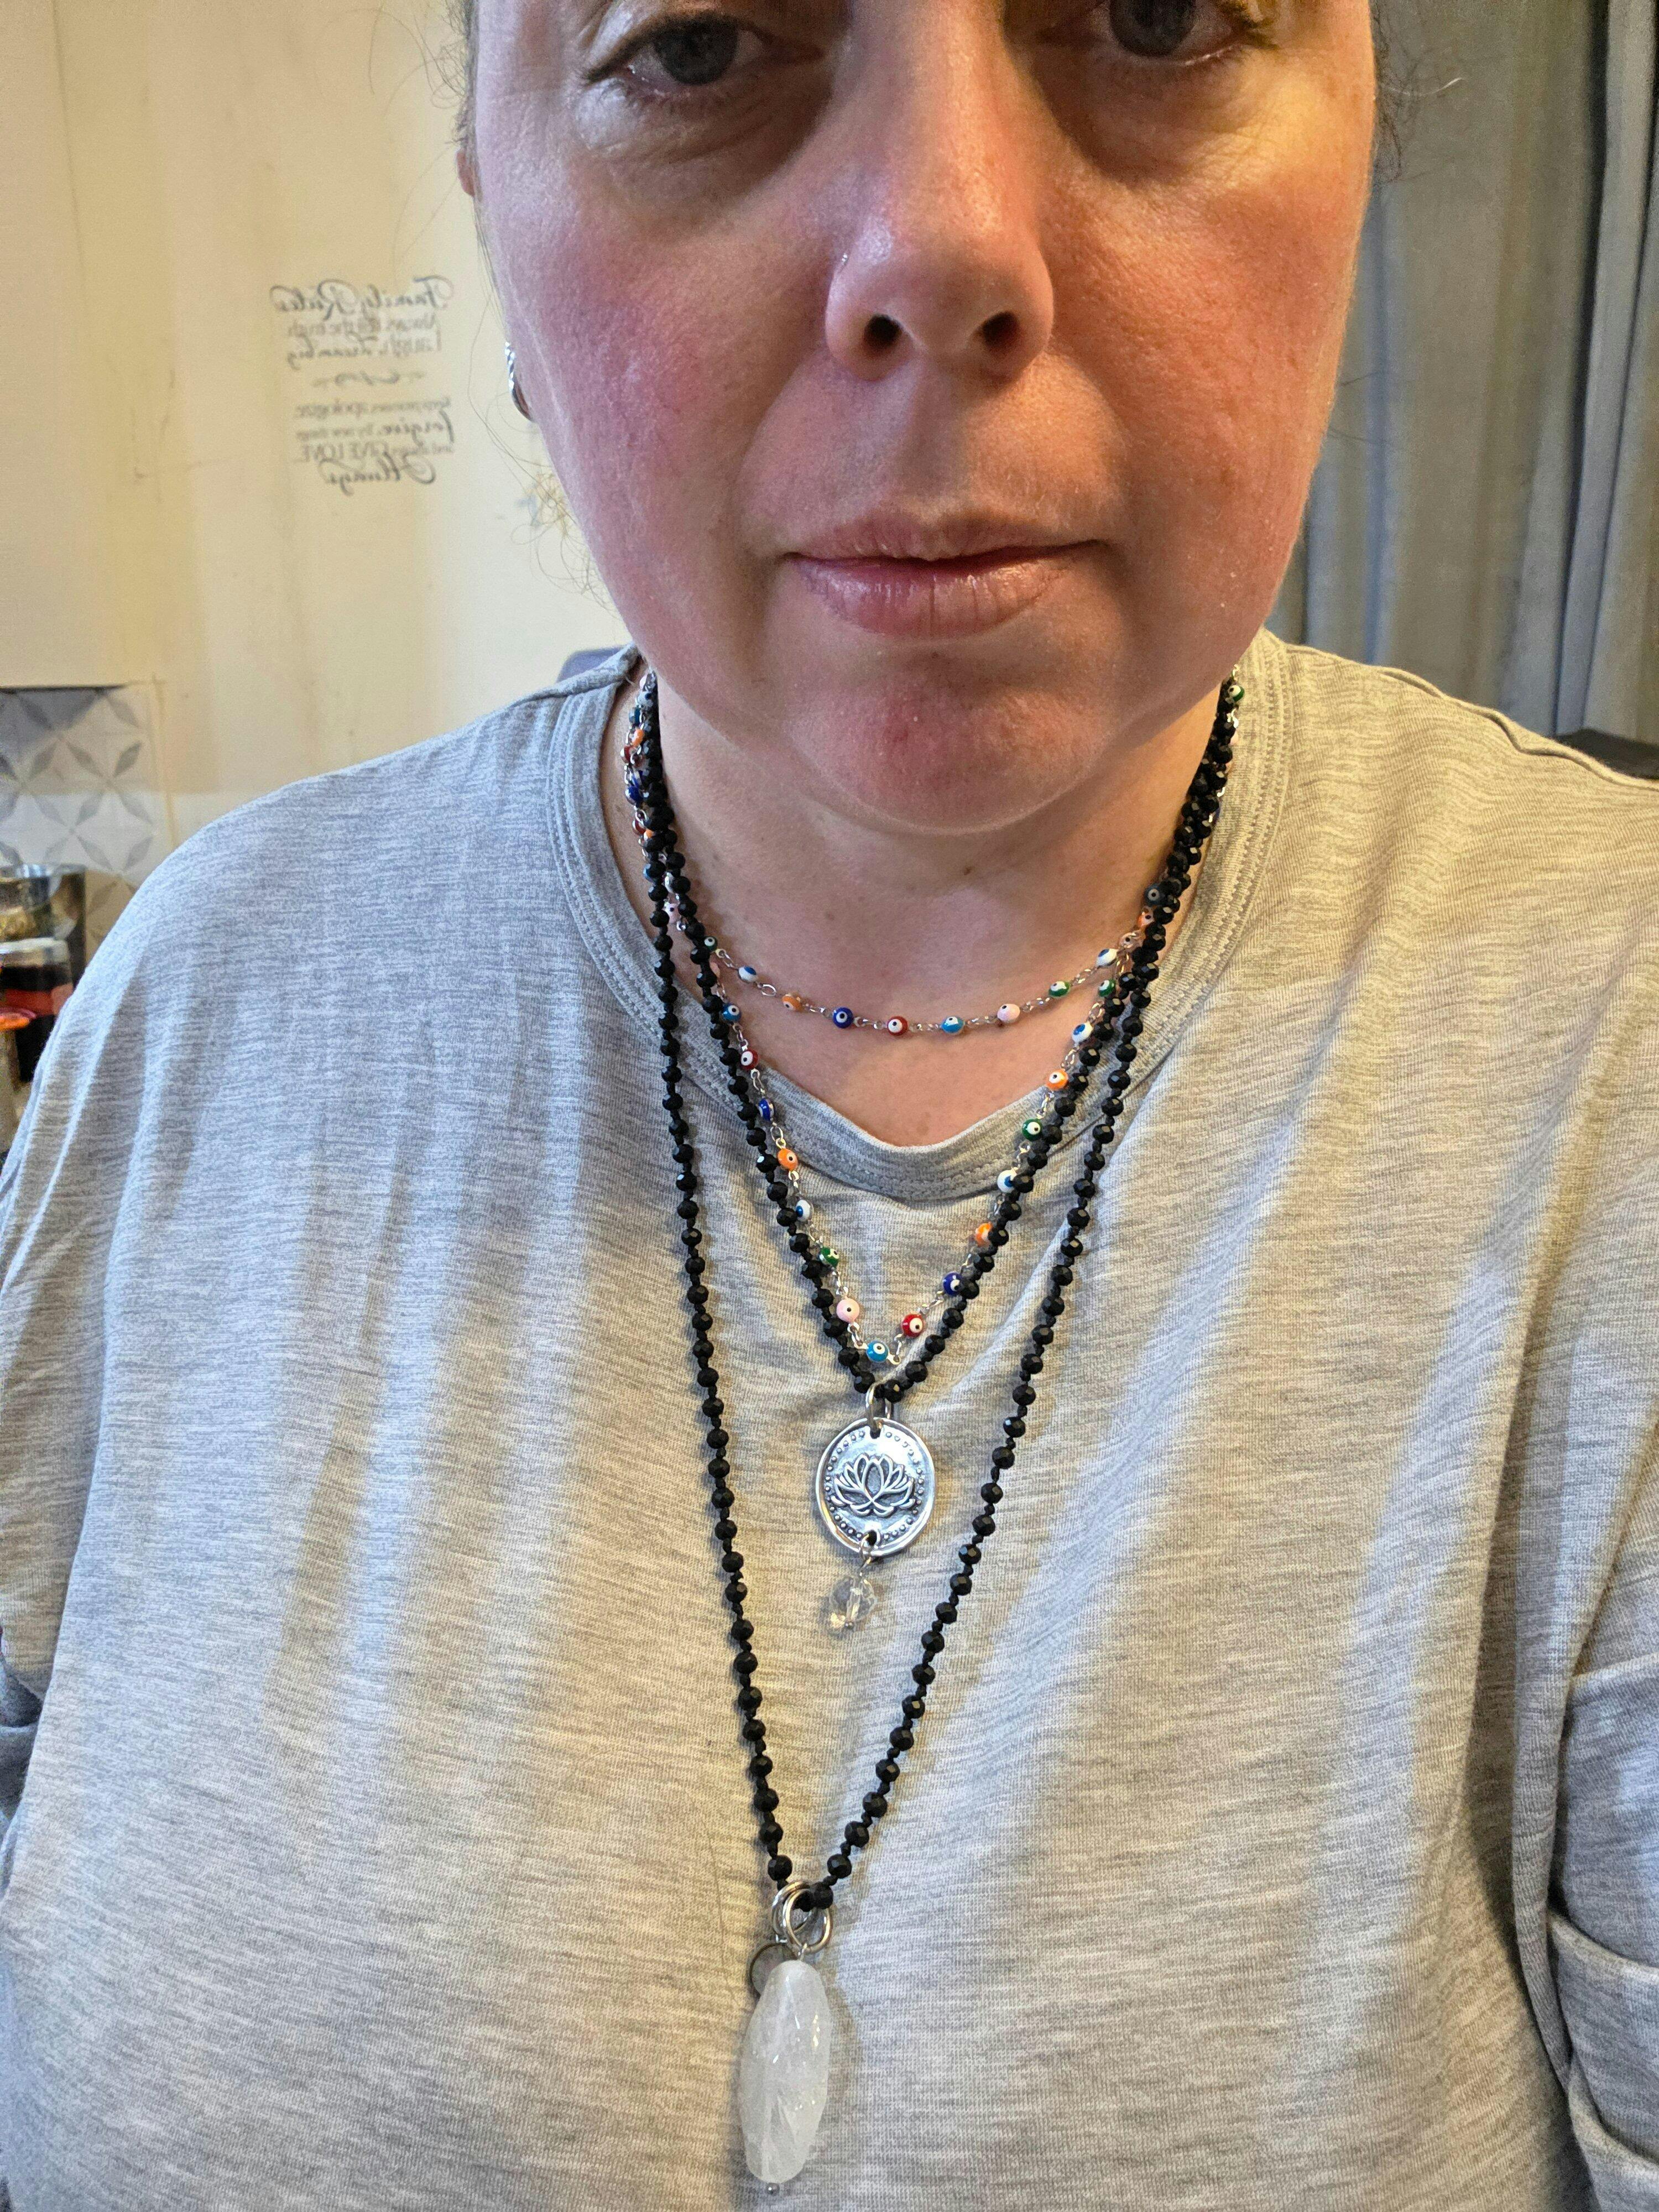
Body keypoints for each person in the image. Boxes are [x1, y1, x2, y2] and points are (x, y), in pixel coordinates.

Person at [0, 1, 1653, 2204]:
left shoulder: (1613, 1040)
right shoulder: (203, 1002)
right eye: (701, 45)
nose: (943, 246)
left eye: (1155, 16)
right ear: (494, 208)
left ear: (1358, 155)